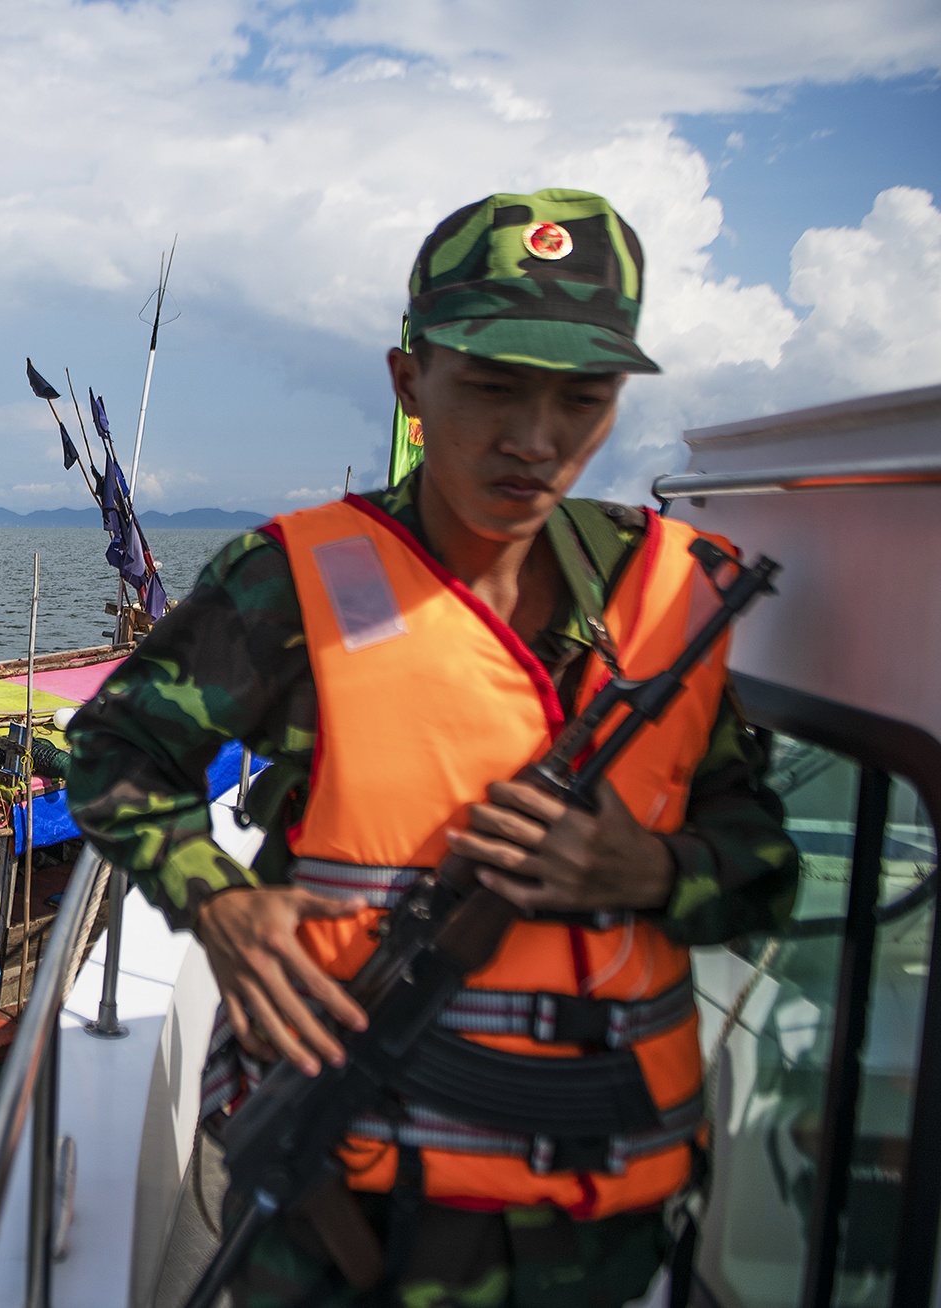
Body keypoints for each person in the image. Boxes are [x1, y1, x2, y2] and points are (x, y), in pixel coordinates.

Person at [66, 191, 802, 1307]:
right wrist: (215, 906)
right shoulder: (295, 583)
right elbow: (112, 752)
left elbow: (765, 871)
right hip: (339, 1221)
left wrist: (651, 871)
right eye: (493, 386)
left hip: (594, 1247)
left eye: (582, 397)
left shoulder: (677, 599)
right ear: (411, 382)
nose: (536, 438)